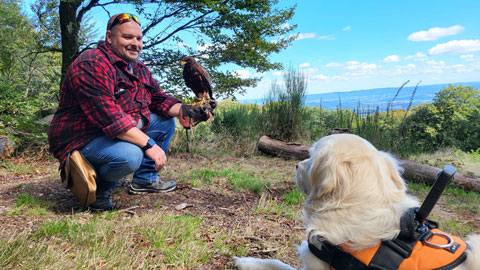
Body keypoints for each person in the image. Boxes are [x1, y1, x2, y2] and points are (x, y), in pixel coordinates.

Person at [48, 13, 214, 211]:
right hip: (82, 138)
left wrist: (188, 110)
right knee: (130, 155)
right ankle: (98, 191)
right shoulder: (91, 64)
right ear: (109, 38)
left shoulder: (139, 68)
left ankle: (144, 181)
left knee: (164, 121)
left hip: (111, 131)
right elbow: (110, 118)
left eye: (139, 39)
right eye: (128, 37)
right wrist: (150, 145)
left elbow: (158, 100)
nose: (136, 43)